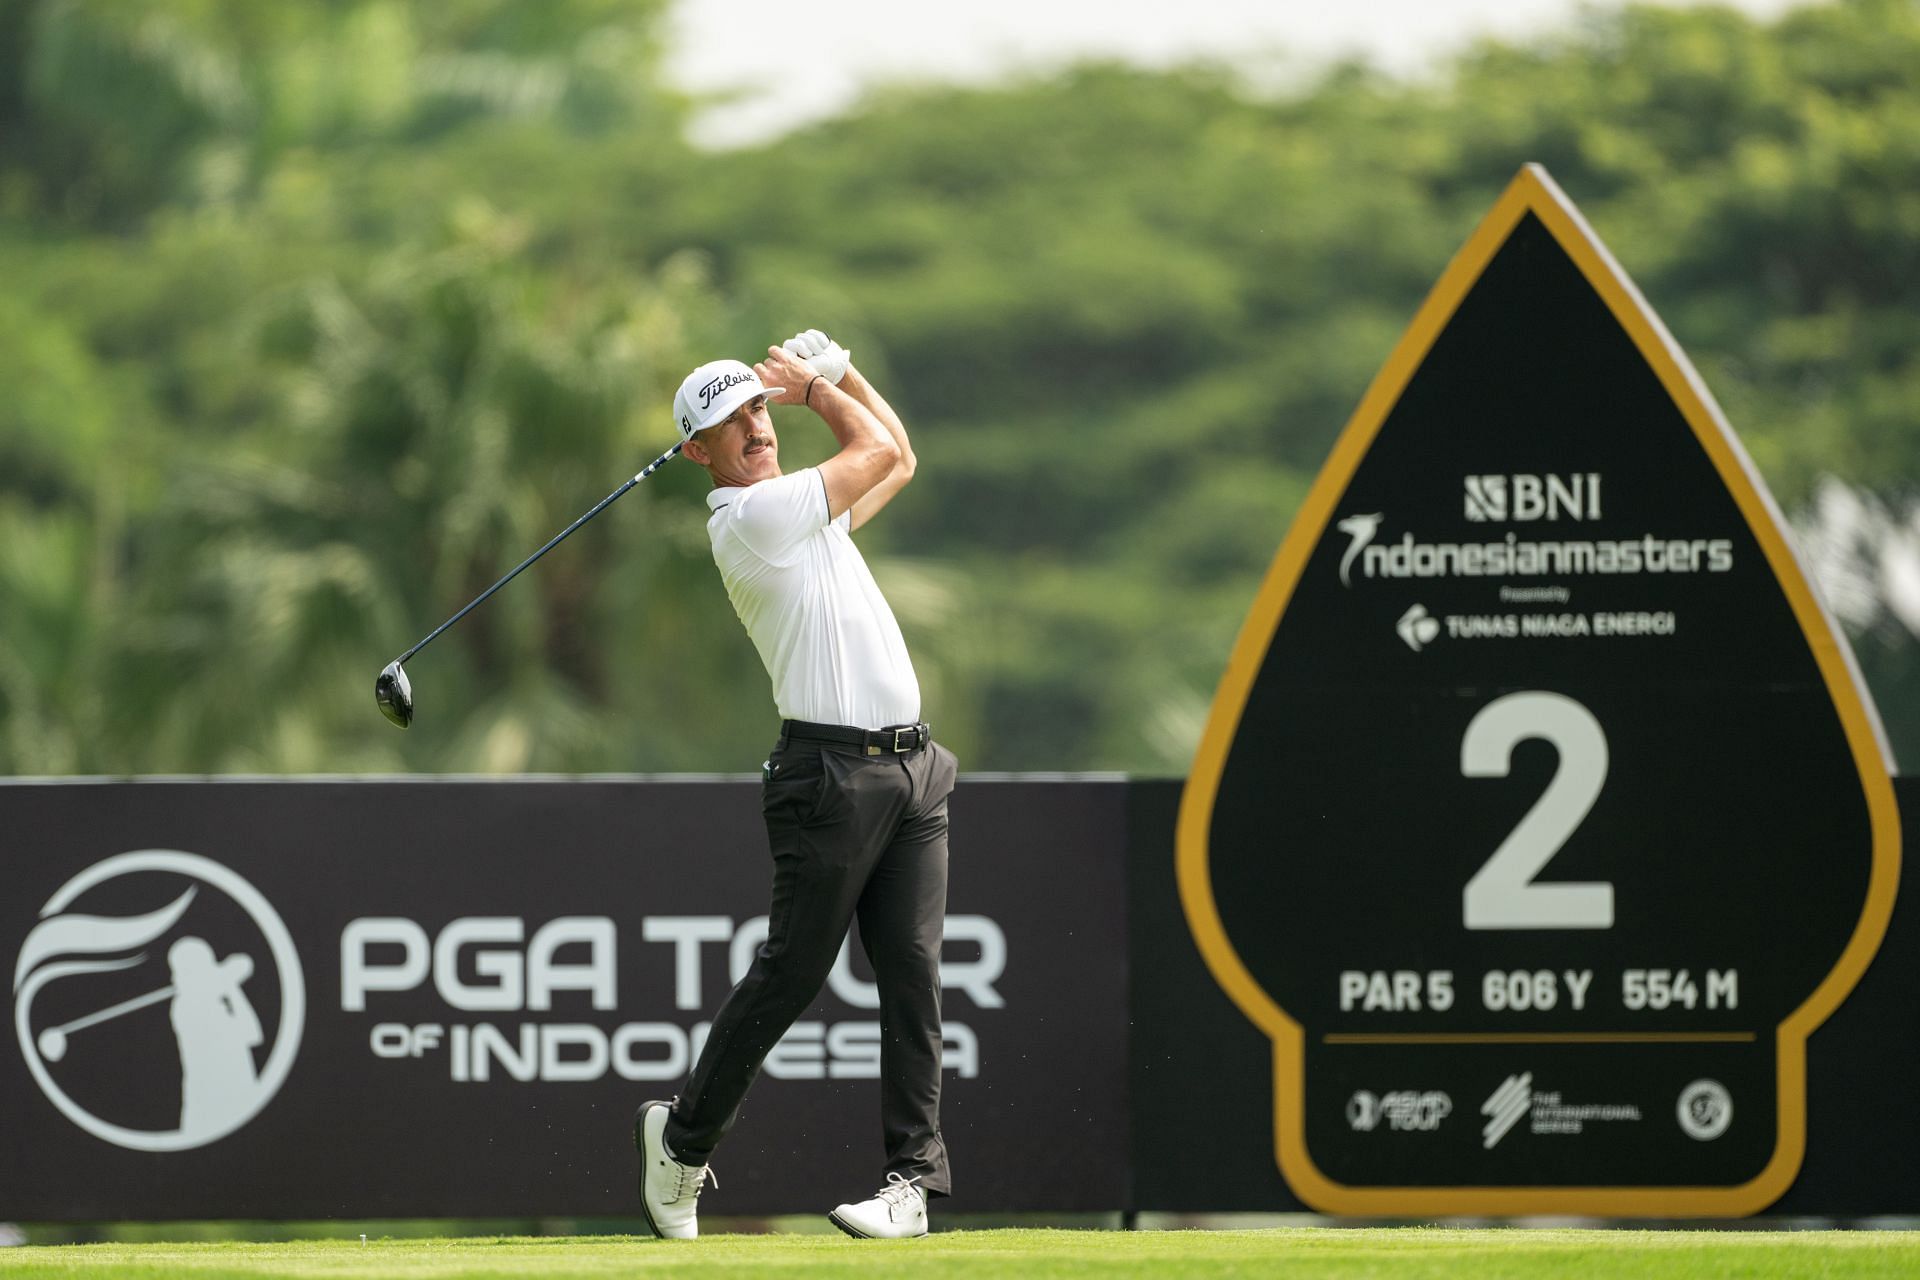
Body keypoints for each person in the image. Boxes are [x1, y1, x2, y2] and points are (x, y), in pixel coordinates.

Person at [634, 329, 956, 1241]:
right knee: (791, 975)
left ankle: (909, 1188)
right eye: (731, 423)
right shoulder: (751, 521)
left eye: (758, 410)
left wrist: (845, 372)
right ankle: (682, 1148)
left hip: (914, 769)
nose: (753, 428)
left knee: (913, 977)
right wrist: (818, 389)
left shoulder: (803, 514)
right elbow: (877, 449)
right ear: (700, 453)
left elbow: (902, 455)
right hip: (830, 775)